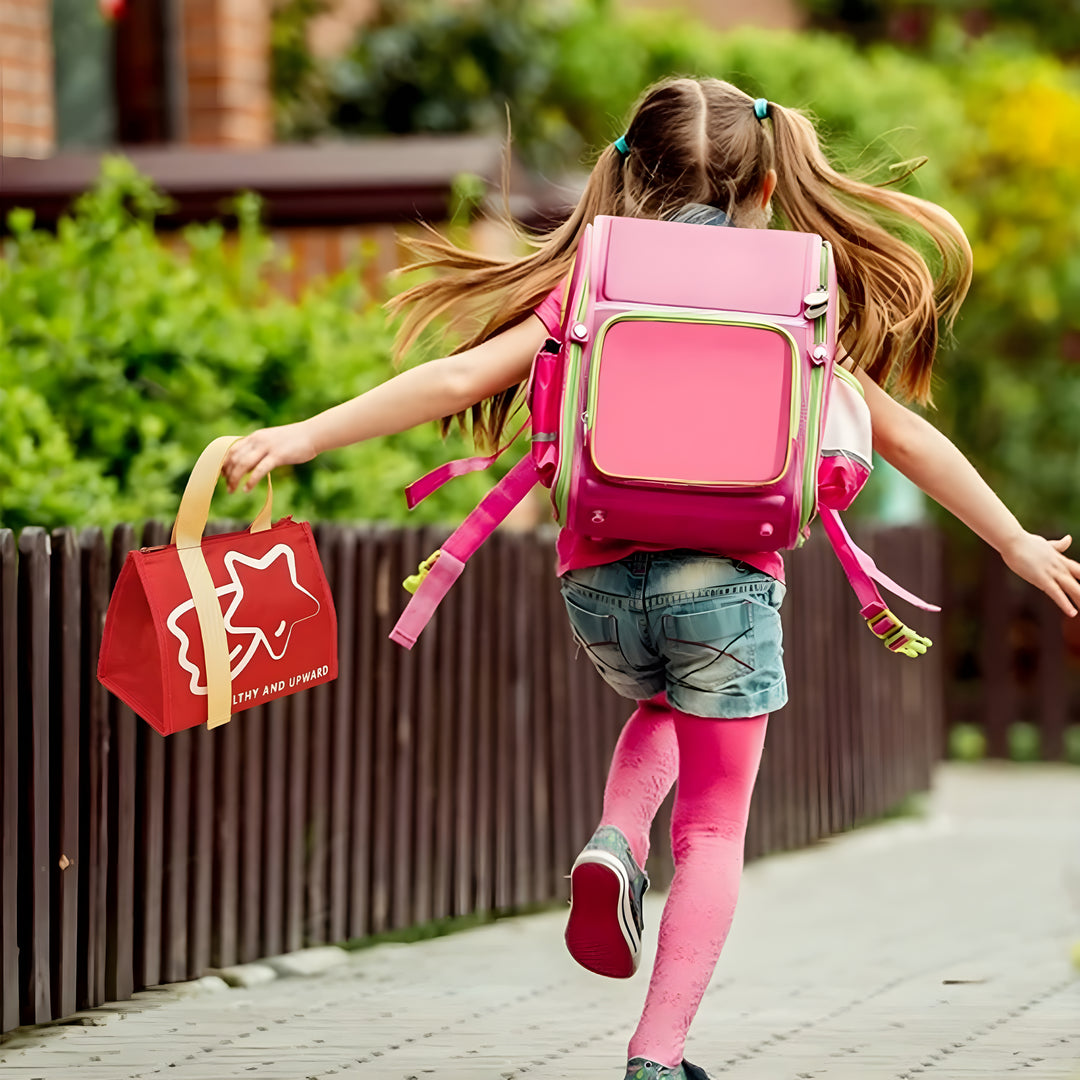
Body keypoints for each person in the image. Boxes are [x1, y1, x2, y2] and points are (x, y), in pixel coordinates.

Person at [222, 77, 1080, 1080]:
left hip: (599, 581)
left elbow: (458, 380)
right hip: (728, 583)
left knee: (666, 701)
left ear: (628, 174)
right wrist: (1013, 538)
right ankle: (657, 1057)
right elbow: (907, 439)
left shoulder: (593, 278)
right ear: (766, 182)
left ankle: (617, 838)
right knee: (715, 828)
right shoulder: (799, 291)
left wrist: (303, 434)